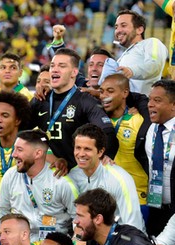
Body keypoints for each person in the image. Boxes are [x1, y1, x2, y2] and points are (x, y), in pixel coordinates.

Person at [0, 129, 77, 245]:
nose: (13, 155)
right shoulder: (10, 176)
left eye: (19, 150)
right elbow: (1, 210)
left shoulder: (61, 181)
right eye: (14, 149)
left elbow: (78, 218)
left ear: (38, 153)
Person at [30, 48, 118, 168]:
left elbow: (108, 132)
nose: (55, 69)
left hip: (78, 172)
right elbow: (19, 129)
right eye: (52, 66)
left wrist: (106, 156)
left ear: (74, 72)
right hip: (46, 171)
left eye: (62, 66)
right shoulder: (40, 99)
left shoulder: (85, 101)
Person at [67, 124, 144, 228]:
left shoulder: (120, 178)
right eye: (78, 148)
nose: (81, 154)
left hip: (119, 235)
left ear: (100, 152)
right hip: (85, 233)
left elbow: (133, 224)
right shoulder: (72, 175)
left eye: (87, 149)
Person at [100, 74, 149, 209]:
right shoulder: (99, 120)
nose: (104, 96)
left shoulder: (139, 120)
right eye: (101, 91)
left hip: (136, 197)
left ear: (125, 93)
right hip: (106, 197)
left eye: (110, 91)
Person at [143, 79, 175, 235]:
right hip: (155, 208)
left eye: (157, 100)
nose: (150, 104)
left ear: (173, 105)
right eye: (150, 100)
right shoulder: (152, 129)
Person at [114, 10, 167, 94]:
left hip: (143, 101)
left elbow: (154, 64)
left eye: (123, 25)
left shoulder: (152, 42)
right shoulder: (123, 56)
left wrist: (131, 71)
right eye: (116, 27)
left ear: (139, 29)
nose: (118, 30)